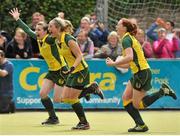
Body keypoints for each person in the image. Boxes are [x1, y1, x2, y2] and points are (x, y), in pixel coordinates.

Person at [106, 18, 177, 132]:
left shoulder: (126, 39)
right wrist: (115, 64)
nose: (116, 26)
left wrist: (114, 63)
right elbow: (130, 63)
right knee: (125, 98)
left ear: (124, 28)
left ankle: (162, 92)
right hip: (138, 73)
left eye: (118, 24)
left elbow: (129, 57)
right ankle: (141, 125)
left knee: (137, 104)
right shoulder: (127, 38)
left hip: (142, 73)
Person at [9, 8, 68, 124]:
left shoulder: (50, 39)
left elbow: (60, 32)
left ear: (46, 31)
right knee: (42, 94)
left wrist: (60, 19)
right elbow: (26, 29)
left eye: (39, 30)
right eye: (36, 29)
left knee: (57, 100)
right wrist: (17, 19)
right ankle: (53, 118)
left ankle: (86, 90)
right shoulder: (38, 38)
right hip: (52, 71)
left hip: (62, 70)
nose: (36, 31)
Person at [48, 17, 104, 130]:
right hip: (73, 71)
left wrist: (72, 68)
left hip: (81, 71)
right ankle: (90, 89)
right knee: (64, 98)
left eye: (51, 27)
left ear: (58, 28)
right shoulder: (57, 40)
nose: (49, 29)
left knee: (72, 98)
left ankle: (84, 123)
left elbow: (79, 56)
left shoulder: (69, 39)